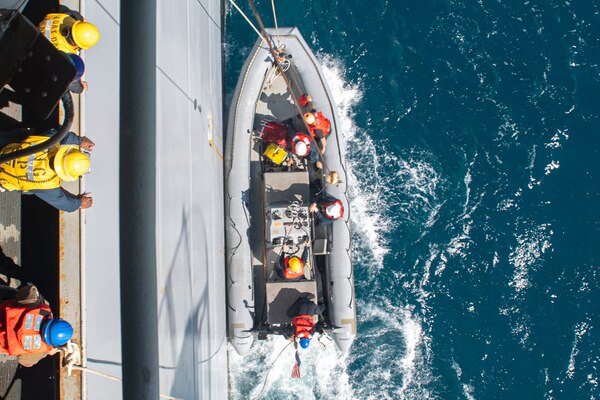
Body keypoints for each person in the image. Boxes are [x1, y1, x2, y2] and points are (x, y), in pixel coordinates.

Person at [0, 130, 95, 212]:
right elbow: (66, 204)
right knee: (31, 189)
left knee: (27, 133)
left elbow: (59, 133)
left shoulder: (49, 143)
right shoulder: (47, 185)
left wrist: (79, 140)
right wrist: (79, 203)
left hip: (3, 147)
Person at [0, 284, 73, 367]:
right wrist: (45, 352)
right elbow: (25, 362)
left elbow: (28, 291)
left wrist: (38, 300)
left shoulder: (39, 309)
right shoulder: (38, 351)